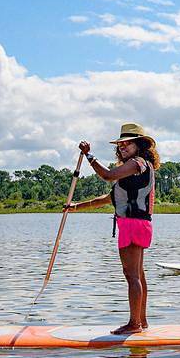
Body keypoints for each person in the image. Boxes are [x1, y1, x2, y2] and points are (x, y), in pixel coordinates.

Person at [66, 123, 159, 334]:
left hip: (133, 224)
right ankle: (141, 322)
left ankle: (134, 324)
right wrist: (76, 207)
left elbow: (107, 175)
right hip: (138, 224)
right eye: (121, 144)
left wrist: (89, 156)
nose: (123, 146)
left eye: (128, 143)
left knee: (131, 275)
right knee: (138, 275)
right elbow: (109, 198)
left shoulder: (137, 163)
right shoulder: (133, 170)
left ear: (139, 145)